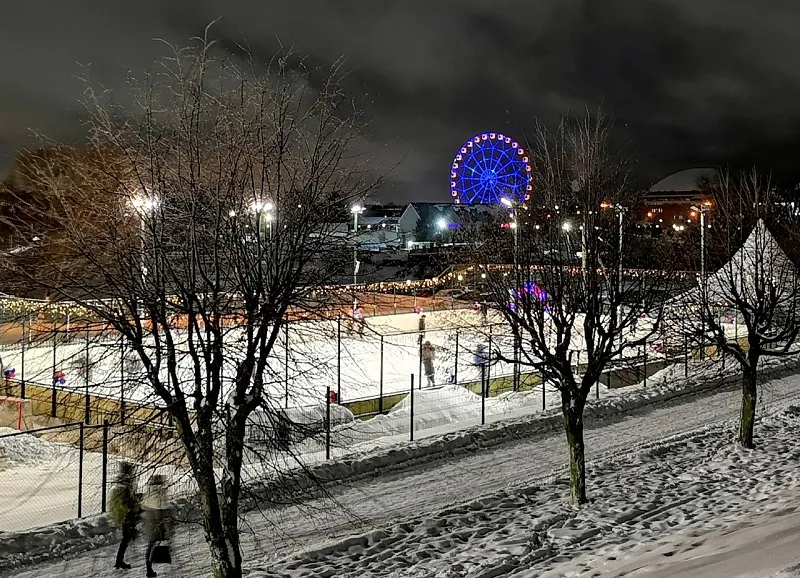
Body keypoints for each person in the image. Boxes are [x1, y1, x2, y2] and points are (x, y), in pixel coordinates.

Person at [110, 461, 140, 570]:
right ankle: (119, 561)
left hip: (122, 514)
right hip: (126, 515)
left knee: (127, 537)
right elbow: (127, 502)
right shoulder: (126, 485)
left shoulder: (120, 483)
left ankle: (120, 560)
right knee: (126, 538)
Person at [142, 474, 172, 578]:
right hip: (156, 524)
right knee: (154, 546)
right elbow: (160, 512)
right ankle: (149, 569)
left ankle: (149, 568)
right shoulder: (159, 494)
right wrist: (162, 528)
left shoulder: (149, 492)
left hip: (149, 524)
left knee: (150, 546)